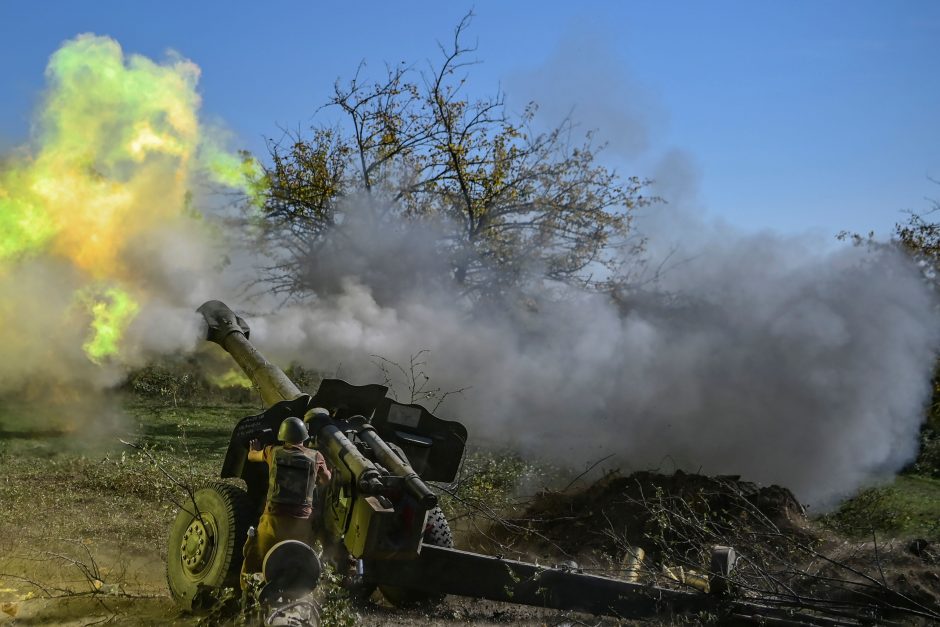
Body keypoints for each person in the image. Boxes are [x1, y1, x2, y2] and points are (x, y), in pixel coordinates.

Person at [240, 416, 331, 585]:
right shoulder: (316, 456)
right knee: (301, 567)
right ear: (304, 437)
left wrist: (255, 448)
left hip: (273, 522)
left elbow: (252, 457)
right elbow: (326, 479)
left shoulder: (272, 451)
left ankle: (249, 595)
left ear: (283, 437)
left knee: (254, 562)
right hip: (302, 526)